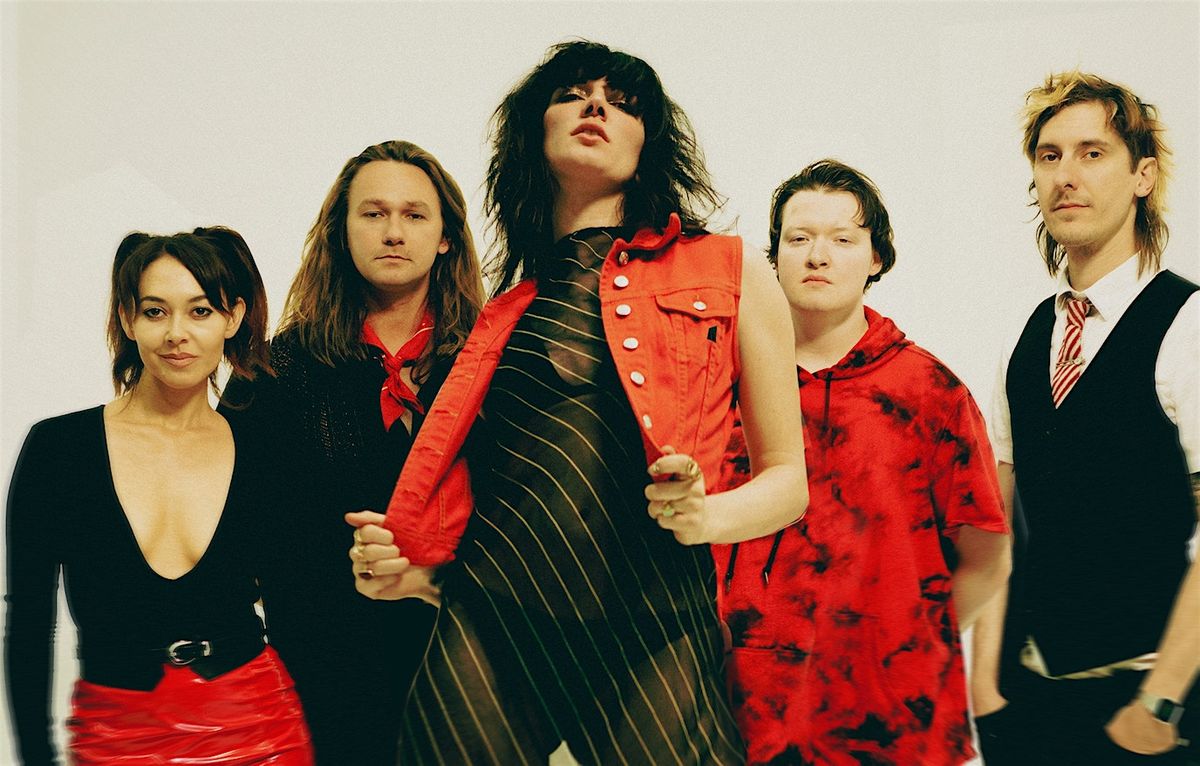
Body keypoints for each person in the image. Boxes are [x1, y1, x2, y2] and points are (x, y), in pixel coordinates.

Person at [348, 40, 808, 764]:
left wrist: (707, 516)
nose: (595, 105)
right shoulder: (502, 315)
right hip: (494, 623)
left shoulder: (732, 267)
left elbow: (789, 482)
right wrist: (424, 575)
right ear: (534, 132)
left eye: (623, 103)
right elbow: (505, 501)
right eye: (572, 94)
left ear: (649, 147)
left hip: (657, 621)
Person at [712, 160, 1010, 765]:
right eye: (799, 238)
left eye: (843, 240)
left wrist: (903, 647)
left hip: (890, 727)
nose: (817, 256)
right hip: (740, 716)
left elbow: (986, 559)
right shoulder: (722, 383)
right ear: (774, 256)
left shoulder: (928, 391)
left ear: (876, 257)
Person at [4, 227, 313, 765]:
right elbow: (29, 621)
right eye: (155, 311)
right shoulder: (59, 448)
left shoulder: (264, 452)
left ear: (233, 319)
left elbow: (298, 611)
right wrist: (35, 756)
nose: (176, 334)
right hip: (117, 735)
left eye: (200, 311)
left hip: (260, 732)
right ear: (128, 319)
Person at [221, 140, 485, 764]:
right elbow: (235, 528)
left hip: (470, 674)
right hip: (324, 681)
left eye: (414, 214)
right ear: (341, 233)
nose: (393, 232)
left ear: (446, 238)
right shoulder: (280, 367)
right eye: (373, 213)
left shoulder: (491, 359)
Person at [970, 71, 1200, 765]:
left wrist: (1159, 703)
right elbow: (997, 523)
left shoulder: (1187, 324)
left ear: (1142, 176)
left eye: (1092, 153)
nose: (1066, 175)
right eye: (1050, 156)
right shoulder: (1026, 336)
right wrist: (984, 689)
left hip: (1154, 710)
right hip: (1031, 706)